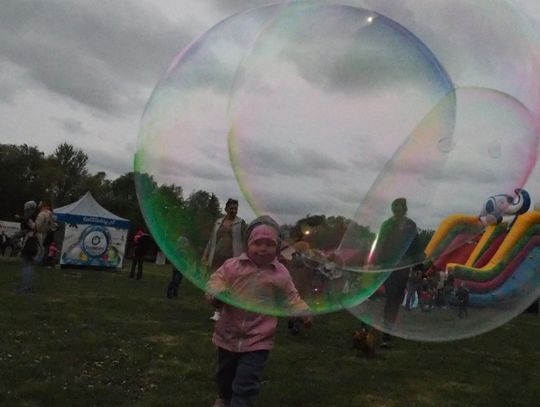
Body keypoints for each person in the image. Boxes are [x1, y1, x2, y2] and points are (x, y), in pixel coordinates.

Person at [206, 217, 311, 407]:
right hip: (228, 334)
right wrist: (218, 294)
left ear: (277, 247)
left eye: (270, 244)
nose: (263, 248)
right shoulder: (233, 265)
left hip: (258, 339)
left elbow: (291, 297)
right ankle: (224, 398)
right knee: (224, 375)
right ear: (248, 245)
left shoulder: (280, 273)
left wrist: (303, 312)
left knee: (246, 382)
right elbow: (215, 281)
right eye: (258, 243)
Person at [368, 197, 424, 348]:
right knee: (391, 298)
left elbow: (416, 247)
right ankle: (386, 333)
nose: (397, 213)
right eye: (394, 210)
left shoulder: (411, 226)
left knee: (396, 300)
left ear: (405, 210)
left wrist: (419, 268)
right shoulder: (387, 224)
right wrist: (374, 262)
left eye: (399, 210)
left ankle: (388, 329)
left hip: (403, 269)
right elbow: (379, 244)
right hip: (388, 267)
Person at [202, 199, 247, 321]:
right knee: (217, 283)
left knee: (230, 285)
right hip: (217, 257)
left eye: (236, 208)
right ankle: (217, 310)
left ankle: (228, 311)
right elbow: (212, 240)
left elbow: (245, 241)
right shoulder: (218, 222)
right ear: (226, 208)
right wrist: (205, 255)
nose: (234, 211)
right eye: (231, 208)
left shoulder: (241, 223)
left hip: (233, 258)